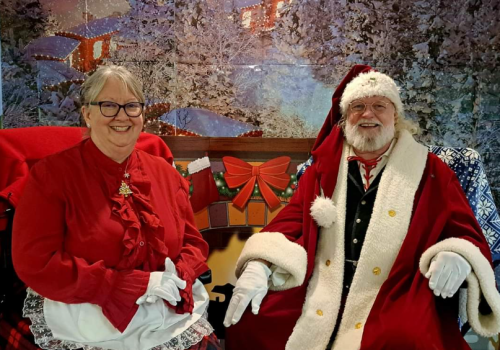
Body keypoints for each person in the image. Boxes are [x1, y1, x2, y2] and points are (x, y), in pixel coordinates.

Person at [223, 64, 500, 350]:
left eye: (379, 105)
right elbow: (293, 219)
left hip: (396, 287)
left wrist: (456, 255)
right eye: (358, 106)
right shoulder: (323, 169)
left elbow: (465, 231)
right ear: (345, 118)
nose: (368, 114)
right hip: (322, 281)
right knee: (252, 322)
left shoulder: (432, 171)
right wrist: (261, 263)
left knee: (404, 339)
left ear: (396, 115)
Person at [12, 65, 221, 350]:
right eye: (108, 105)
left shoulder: (165, 172)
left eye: (131, 106)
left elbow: (192, 242)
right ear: (87, 114)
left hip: (164, 312)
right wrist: (123, 286)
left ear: (142, 114)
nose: (122, 116)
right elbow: (35, 262)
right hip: (85, 313)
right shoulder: (51, 175)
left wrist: (179, 276)